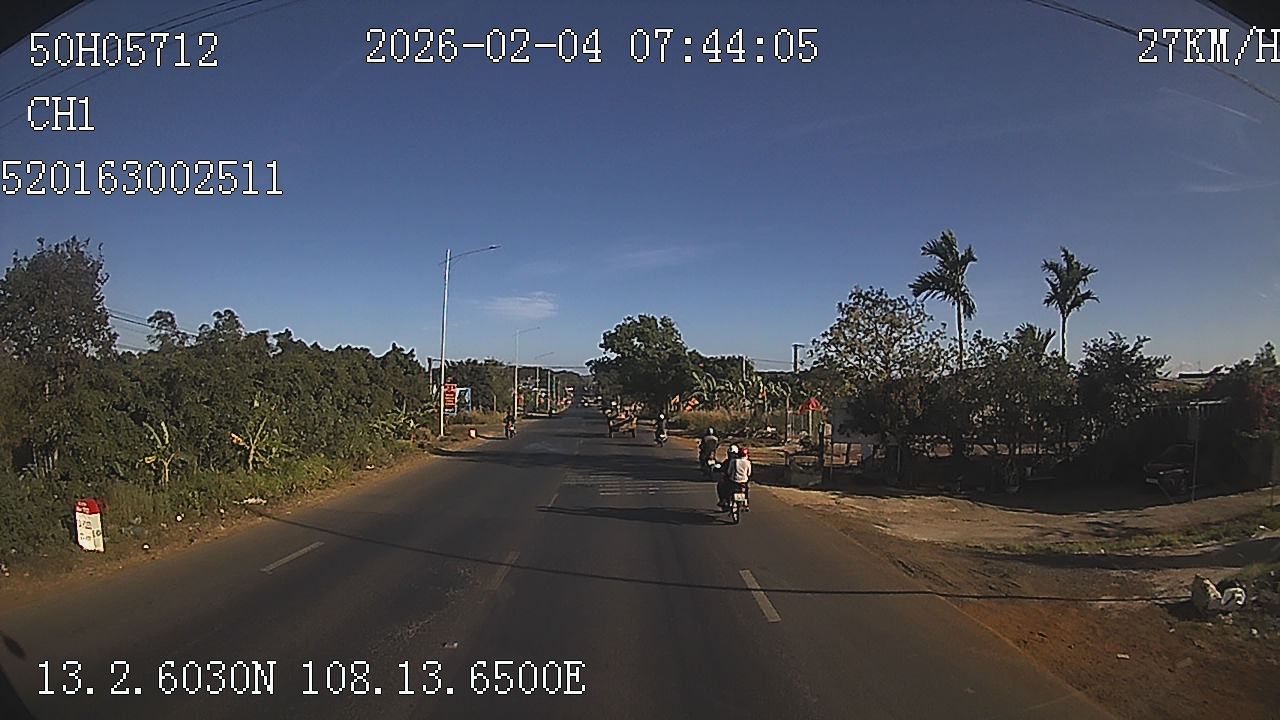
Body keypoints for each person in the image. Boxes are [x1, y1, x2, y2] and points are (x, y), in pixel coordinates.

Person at [719, 445, 752, 510]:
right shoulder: (747, 462)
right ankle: (746, 501)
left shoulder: (733, 461)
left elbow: (729, 472)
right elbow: (749, 473)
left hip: (733, 480)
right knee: (747, 487)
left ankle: (724, 500)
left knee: (722, 485)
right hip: (744, 481)